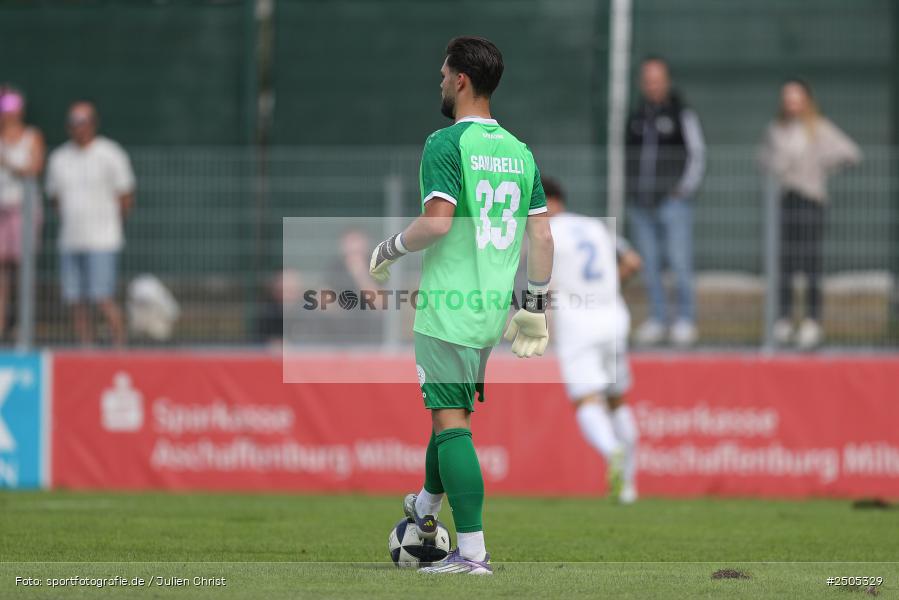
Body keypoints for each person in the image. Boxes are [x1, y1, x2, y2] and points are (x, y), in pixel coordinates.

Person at [368, 36, 554, 575]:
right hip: (491, 312)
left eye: (444, 75)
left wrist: (388, 249)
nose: (441, 82)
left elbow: (436, 223)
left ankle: (472, 556)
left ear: (462, 81)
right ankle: (426, 506)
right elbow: (541, 237)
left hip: (448, 308)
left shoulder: (446, 144)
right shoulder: (520, 151)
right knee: (448, 414)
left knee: (451, 425)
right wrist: (535, 305)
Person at [543, 177, 640, 503]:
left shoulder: (546, 232)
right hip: (614, 317)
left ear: (548, 202)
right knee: (617, 400)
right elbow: (632, 261)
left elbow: (540, 281)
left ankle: (612, 449)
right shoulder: (596, 227)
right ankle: (628, 487)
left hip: (578, 322)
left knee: (586, 401)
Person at [759, 79, 861, 350]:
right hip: (786, 201)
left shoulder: (819, 128)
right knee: (786, 263)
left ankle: (812, 321)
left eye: (796, 97)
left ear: (806, 100)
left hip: (811, 201)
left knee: (811, 262)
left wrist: (823, 166)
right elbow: (765, 161)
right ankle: (783, 319)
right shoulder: (776, 129)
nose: (791, 103)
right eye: (787, 97)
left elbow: (850, 152)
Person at [625, 57, 706, 348]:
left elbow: (696, 154)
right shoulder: (637, 117)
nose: (652, 85)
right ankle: (658, 319)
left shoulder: (681, 113)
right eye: (647, 79)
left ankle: (685, 319)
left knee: (679, 261)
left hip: (673, 203)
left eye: (657, 79)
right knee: (649, 265)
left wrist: (682, 190)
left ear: (667, 80)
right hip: (641, 204)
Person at [46, 102, 135, 346]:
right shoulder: (59, 158)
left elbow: (125, 196)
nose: (78, 128)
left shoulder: (110, 153)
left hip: (103, 240)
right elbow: (55, 199)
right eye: (74, 123)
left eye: (83, 122)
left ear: (93, 124)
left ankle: (119, 348)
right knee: (76, 300)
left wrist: (111, 224)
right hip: (71, 239)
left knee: (102, 297)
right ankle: (86, 349)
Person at [0, 86, 44, 342]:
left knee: (22, 267)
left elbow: (33, 169)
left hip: (21, 209)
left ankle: (24, 324)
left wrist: (9, 165)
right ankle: (1, 323)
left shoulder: (31, 136)